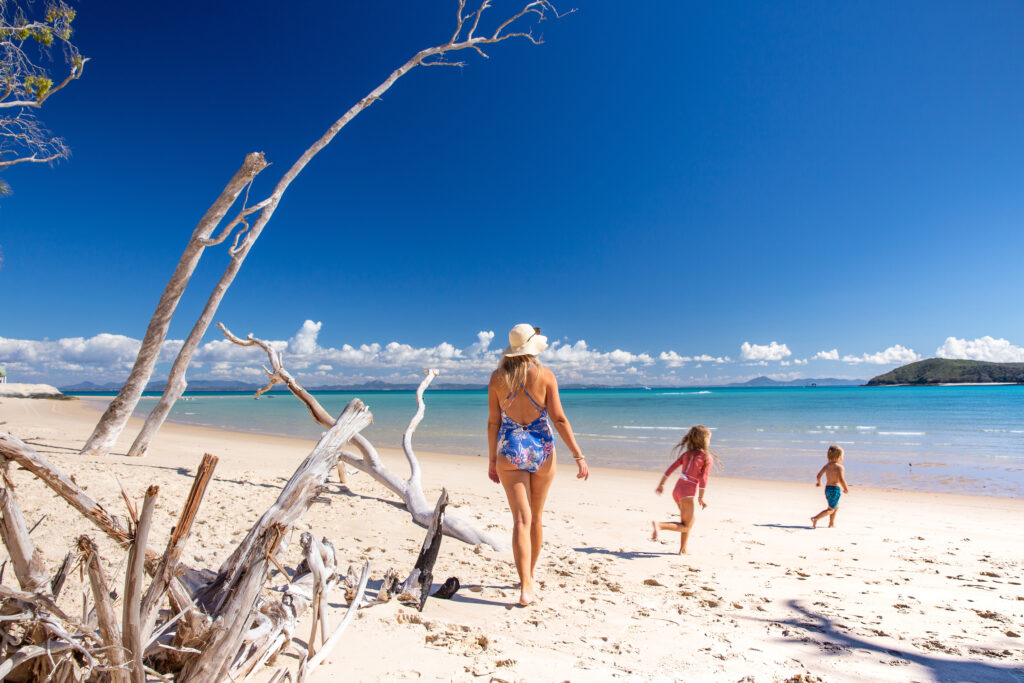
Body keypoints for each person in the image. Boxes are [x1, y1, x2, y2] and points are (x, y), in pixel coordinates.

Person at [488, 323, 589, 606]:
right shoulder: (545, 376)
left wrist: (492, 460)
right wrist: (578, 455)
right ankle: (529, 577)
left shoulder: (497, 379)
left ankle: (525, 585)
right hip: (542, 450)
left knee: (520, 520)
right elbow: (558, 419)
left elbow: (493, 422)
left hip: (509, 449)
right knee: (536, 517)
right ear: (533, 349)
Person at [650, 425, 718, 554]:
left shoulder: (687, 454)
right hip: (687, 493)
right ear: (705, 440)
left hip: (677, 489)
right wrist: (701, 498)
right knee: (686, 526)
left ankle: (683, 549)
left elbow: (670, 469)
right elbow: (704, 480)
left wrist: (661, 484)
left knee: (688, 521)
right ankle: (660, 525)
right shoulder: (706, 458)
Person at [811, 445, 849, 528]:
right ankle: (815, 518)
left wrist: (819, 483)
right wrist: (846, 488)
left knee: (835, 506)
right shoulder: (839, 467)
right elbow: (842, 479)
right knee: (831, 509)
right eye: (842, 456)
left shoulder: (827, 466)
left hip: (827, 489)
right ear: (839, 457)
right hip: (835, 490)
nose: (843, 458)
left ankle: (831, 524)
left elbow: (818, 475)